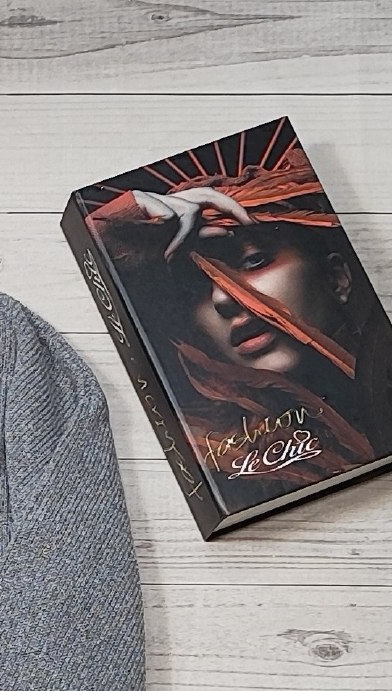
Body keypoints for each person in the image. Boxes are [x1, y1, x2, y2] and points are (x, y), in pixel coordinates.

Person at [87, 145, 392, 512]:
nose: (223, 298)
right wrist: (120, 224)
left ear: (336, 278)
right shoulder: (217, 463)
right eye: (194, 285)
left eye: (253, 260)